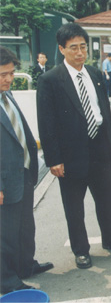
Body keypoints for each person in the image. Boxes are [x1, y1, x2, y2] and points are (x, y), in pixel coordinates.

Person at [37, 23, 111, 270]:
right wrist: (53, 159)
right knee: (74, 205)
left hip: (99, 149)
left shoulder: (94, 74)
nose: (80, 52)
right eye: (73, 48)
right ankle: (81, 250)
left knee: (107, 198)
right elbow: (46, 123)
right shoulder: (50, 80)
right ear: (62, 49)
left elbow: (102, 109)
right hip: (70, 156)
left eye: (83, 47)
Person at [0, 47, 53, 294]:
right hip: (3, 180)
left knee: (25, 227)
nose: (8, 79)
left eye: (10, 73)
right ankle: (7, 280)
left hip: (22, 172)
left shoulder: (7, 96)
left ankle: (25, 265)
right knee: (5, 234)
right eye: (2, 74)